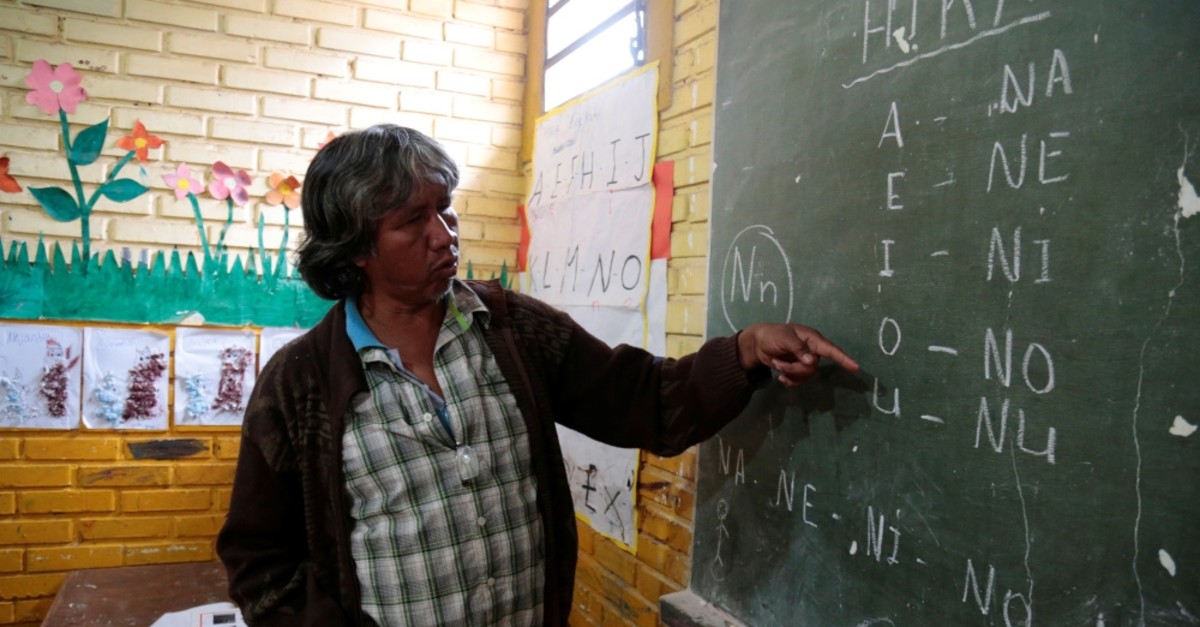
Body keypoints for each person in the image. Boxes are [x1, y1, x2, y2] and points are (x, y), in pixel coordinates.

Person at [216, 124, 859, 627]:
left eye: (446, 209)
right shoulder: (299, 384)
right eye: (412, 221)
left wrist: (746, 349)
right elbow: (260, 562)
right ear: (356, 246)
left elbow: (644, 401)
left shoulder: (511, 330)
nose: (444, 235)